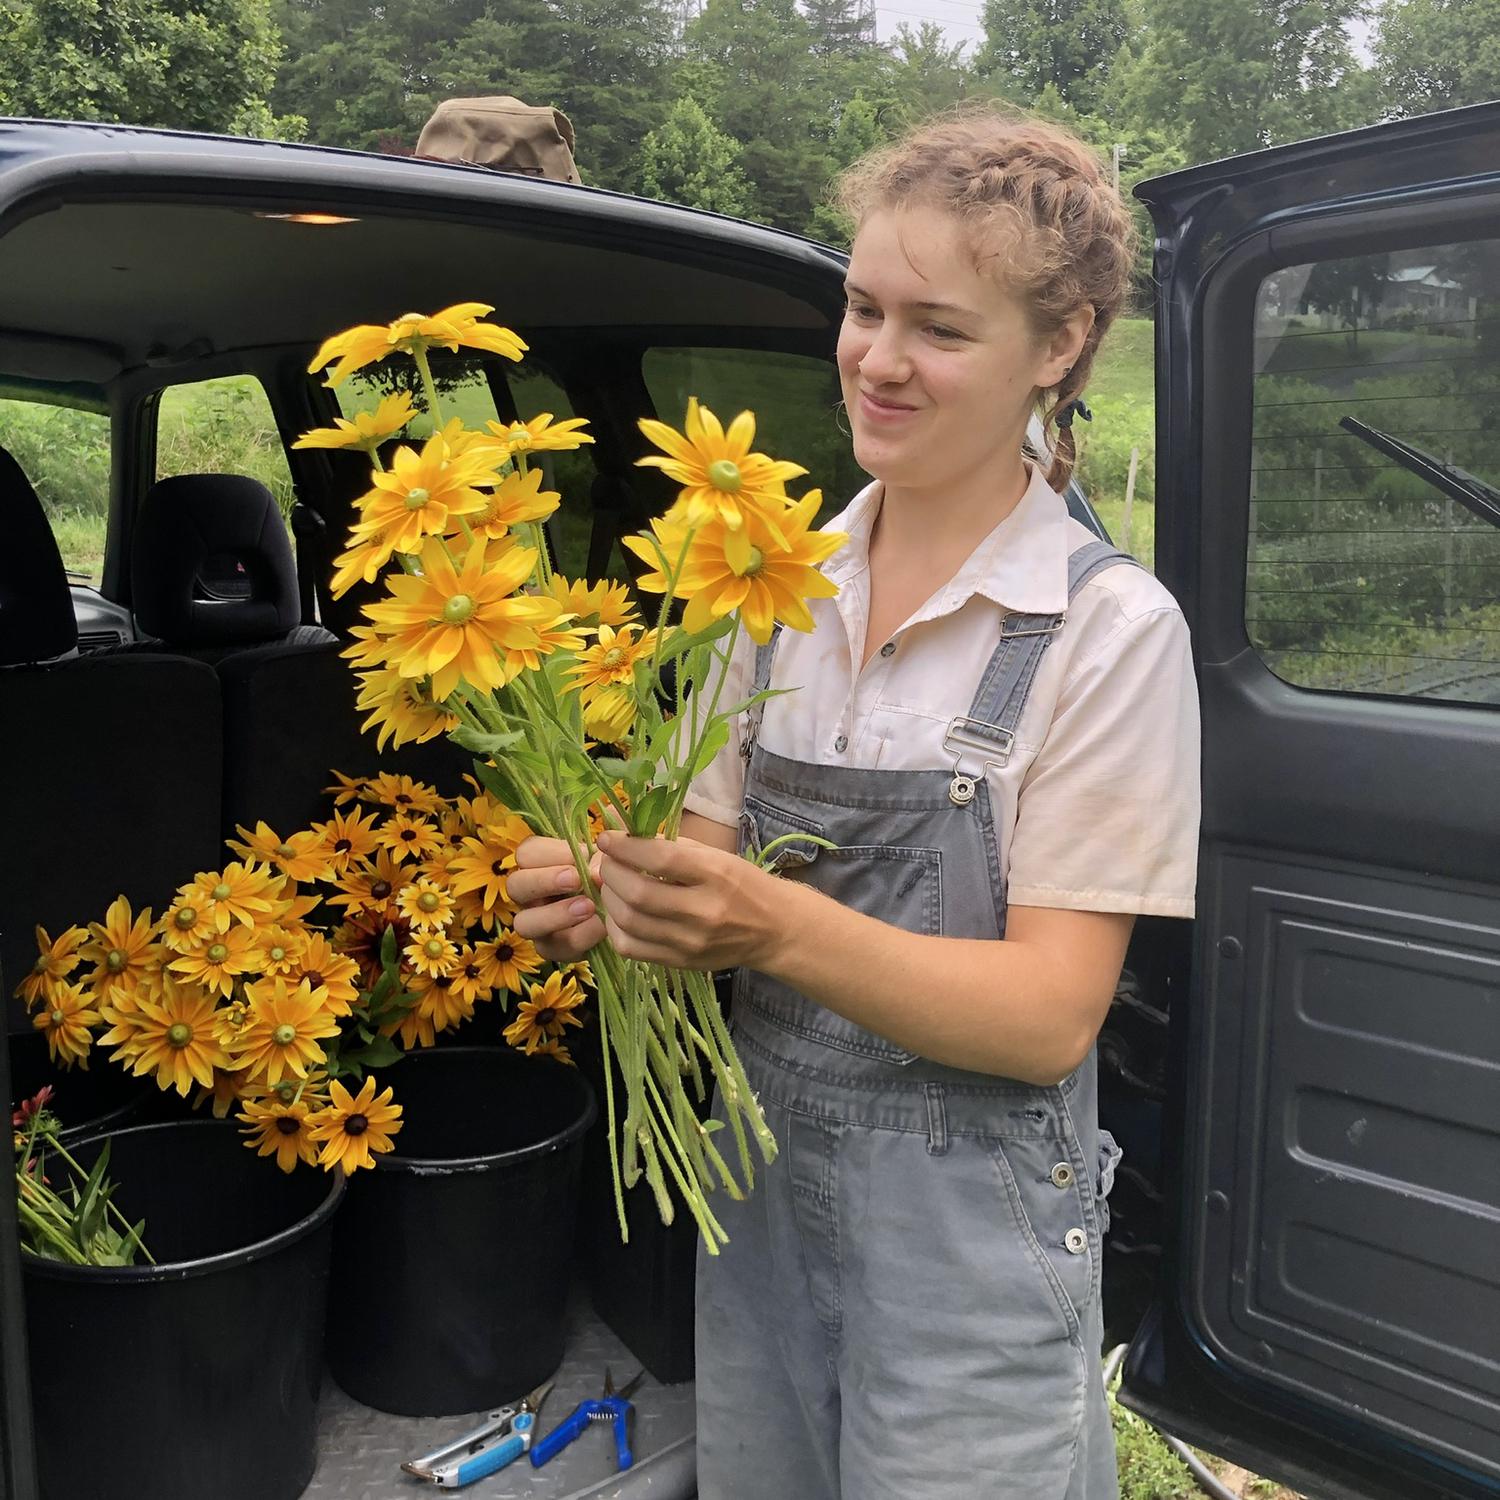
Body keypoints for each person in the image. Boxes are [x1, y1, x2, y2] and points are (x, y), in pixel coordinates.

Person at [508, 106, 1201, 1500]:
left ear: (1056, 349)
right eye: (862, 307)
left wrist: (766, 926)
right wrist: (608, 892)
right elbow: (699, 854)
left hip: (975, 1238)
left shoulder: (1105, 632)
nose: (876, 361)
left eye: (938, 330)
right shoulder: (768, 591)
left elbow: (1048, 1016)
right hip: (756, 1194)